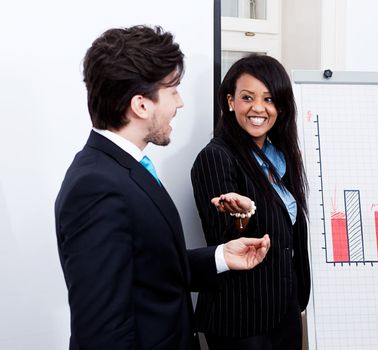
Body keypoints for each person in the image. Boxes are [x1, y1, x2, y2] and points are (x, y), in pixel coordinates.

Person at [54, 25, 270, 350]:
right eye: (172, 90)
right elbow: (102, 332)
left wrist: (221, 257)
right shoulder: (96, 187)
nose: (180, 103)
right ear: (141, 105)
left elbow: (149, 270)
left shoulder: (121, 169)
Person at [191, 54, 311, 350]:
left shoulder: (282, 159)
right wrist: (242, 215)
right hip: (241, 319)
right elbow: (222, 240)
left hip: (284, 311)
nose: (259, 108)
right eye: (248, 97)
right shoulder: (216, 157)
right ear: (230, 102)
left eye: (269, 99)